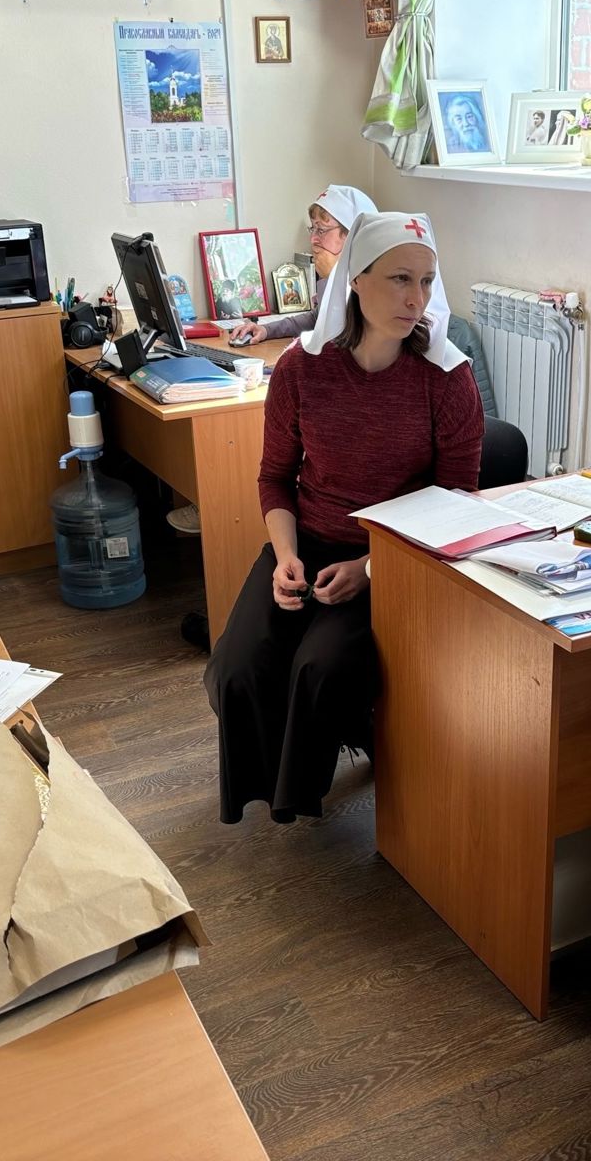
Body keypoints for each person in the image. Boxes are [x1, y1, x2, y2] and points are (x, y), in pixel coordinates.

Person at [205, 212, 484, 824]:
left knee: (320, 666)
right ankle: (260, 788)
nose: (416, 299)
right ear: (356, 280)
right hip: (305, 543)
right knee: (237, 666)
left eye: (427, 282)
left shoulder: (447, 378)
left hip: (397, 555)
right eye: (400, 279)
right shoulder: (303, 369)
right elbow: (275, 477)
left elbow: (456, 503)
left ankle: (295, 798)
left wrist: (371, 567)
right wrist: (285, 558)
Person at [230, 184, 377, 345]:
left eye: (321, 230)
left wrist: (328, 278)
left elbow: (340, 339)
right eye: (312, 228)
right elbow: (317, 317)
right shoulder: (344, 272)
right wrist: (266, 330)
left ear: (352, 235)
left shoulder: (374, 281)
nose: (313, 239)